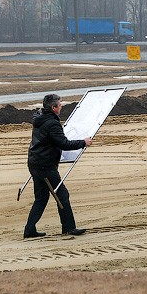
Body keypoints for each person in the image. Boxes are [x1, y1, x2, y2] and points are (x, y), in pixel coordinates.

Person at [23, 93, 92, 239]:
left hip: (35, 162)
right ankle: (68, 228)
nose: (61, 106)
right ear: (54, 107)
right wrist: (83, 142)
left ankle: (29, 230)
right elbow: (64, 144)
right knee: (62, 195)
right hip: (45, 165)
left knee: (41, 198)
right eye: (59, 105)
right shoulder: (51, 123)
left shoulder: (40, 118)